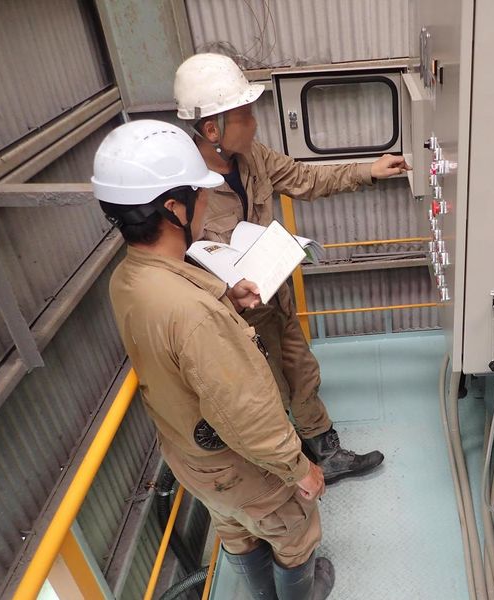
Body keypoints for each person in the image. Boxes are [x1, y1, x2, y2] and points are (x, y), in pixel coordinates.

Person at [94, 119, 334, 599]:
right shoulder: (194, 314)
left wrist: (225, 295)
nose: (206, 200)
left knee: (237, 532)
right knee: (294, 533)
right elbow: (247, 413)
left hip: (193, 458)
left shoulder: (128, 279)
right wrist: (298, 468)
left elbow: (175, 339)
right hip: (241, 466)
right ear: (174, 207)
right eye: (199, 192)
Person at [174, 52, 409, 483]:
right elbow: (177, 271)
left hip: (273, 295)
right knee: (261, 393)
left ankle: (325, 452)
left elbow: (305, 178)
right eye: (245, 116)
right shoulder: (184, 187)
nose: (254, 124)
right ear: (212, 130)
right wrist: (225, 296)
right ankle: (289, 468)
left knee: (301, 370)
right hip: (232, 317)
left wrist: (369, 170)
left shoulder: (254, 158)